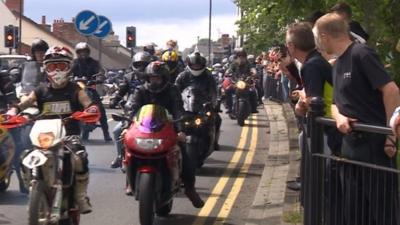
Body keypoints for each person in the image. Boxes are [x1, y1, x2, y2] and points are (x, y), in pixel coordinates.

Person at [314, 13, 400, 224]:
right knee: (355, 212)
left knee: (383, 211)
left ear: (325, 37)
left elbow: (391, 90)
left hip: (373, 147)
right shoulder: (337, 63)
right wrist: (340, 117)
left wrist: (390, 136)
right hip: (349, 147)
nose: (317, 44)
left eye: (317, 38)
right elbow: (335, 103)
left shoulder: (361, 54)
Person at [7, 46, 99, 214]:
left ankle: (80, 196)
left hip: (69, 136)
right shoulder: (40, 90)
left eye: (61, 66)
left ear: (69, 67)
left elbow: (88, 104)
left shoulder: (76, 90)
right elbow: (23, 103)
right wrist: (13, 111)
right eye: (51, 66)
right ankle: (34, 188)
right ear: (45, 69)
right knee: (25, 158)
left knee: (80, 157)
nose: (56, 71)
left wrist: (91, 110)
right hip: (43, 136)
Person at [124, 61, 205, 208]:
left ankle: (190, 189)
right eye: (152, 78)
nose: (155, 81)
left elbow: (178, 109)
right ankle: (129, 181)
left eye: (158, 78)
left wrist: (180, 129)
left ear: (164, 78)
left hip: (167, 128)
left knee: (186, 157)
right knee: (128, 148)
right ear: (147, 78)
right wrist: (126, 125)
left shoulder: (172, 90)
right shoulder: (140, 90)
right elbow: (132, 108)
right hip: (143, 129)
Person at [110, 51, 151, 168]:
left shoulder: (153, 76)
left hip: (151, 111)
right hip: (132, 111)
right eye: (138, 64)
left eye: (144, 64)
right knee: (117, 131)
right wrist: (115, 100)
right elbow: (121, 91)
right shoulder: (129, 77)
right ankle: (120, 156)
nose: (141, 67)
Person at [175, 52, 222, 150]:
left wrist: (215, 103)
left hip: (203, 105)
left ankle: (215, 142)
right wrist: (176, 103)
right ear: (190, 65)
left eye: (198, 65)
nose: (196, 67)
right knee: (174, 122)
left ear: (202, 65)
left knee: (217, 119)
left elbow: (214, 91)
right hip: (186, 106)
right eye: (194, 65)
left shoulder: (208, 76)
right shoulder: (182, 75)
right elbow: (175, 91)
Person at [71, 42, 112, 142]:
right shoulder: (74, 63)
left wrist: (99, 78)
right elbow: (69, 73)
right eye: (80, 52)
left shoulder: (94, 62)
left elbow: (101, 72)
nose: (83, 54)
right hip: (77, 88)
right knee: (69, 106)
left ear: (88, 52)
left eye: (84, 52)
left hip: (90, 87)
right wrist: (70, 78)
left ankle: (106, 133)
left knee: (100, 109)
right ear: (77, 53)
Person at [225, 49, 258, 114]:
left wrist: (254, 73)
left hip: (246, 83)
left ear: (245, 57)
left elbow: (252, 69)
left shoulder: (248, 64)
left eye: (243, 56)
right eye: (239, 56)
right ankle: (229, 108)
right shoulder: (234, 64)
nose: (241, 58)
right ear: (237, 57)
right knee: (227, 90)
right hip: (236, 83)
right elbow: (229, 70)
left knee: (253, 92)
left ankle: (254, 108)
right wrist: (227, 72)